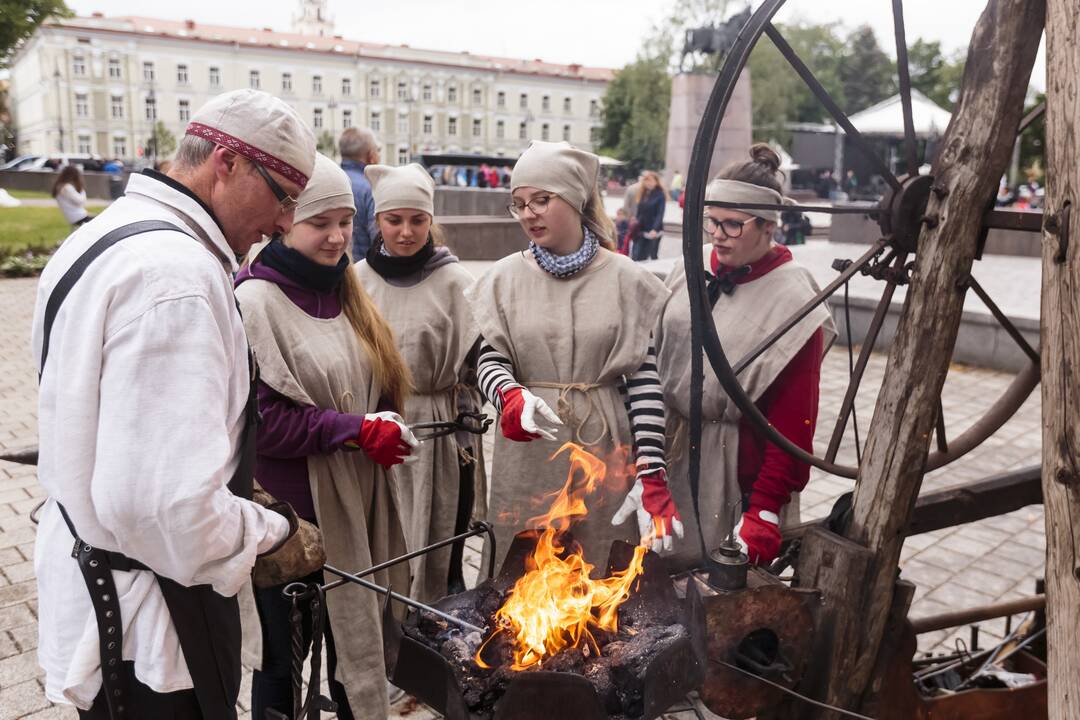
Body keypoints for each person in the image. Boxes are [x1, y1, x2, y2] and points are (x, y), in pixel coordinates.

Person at [31, 88, 323, 718]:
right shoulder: (177, 278)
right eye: (283, 197)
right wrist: (273, 532)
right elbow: (165, 509)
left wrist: (226, 490)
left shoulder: (105, 233)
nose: (282, 224)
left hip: (104, 583)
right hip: (147, 625)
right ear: (228, 162)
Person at [236, 153, 418, 717]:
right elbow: (262, 424)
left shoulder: (346, 290)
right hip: (292, 520)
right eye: (322, 223)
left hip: (356, 507)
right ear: (286, 219)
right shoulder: (254, 300)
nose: (339, 237)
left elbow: (378, 378)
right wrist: (355, 430)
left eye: (346, 221)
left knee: (355, 649)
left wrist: (386, 419)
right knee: (283, 663)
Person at [466, 140, 683, 569]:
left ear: (576, 198)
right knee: (521, 578)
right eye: (519, 203)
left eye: (542, 200)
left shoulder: (625, 279)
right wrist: (508, 396)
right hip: (529, 450)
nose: (529, 213)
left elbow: (643, 381)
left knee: (600, 575)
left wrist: (651, 470)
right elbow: (489, 359)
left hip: (603, 447)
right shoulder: (503, 279)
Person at [655, 144, 837, 570]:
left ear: (770, 226)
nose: (717, 235)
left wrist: (765, 509)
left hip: (734, 472)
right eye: (711, 221)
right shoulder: (691, 264)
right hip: (671, 453)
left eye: (733, 225)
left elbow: (793, 422)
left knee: (714, 600)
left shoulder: (793, 297)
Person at [356, 162, 485, 601]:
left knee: (440, 543)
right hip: (377, 427)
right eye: (394, 220)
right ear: (377, 221)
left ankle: (437, 627)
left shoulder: (457, 282)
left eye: (417, 220)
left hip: (442, 430)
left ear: (431, 221)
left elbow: (482, 359)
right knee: (385, 543)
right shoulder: (356, 282)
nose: (406, 231)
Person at [339, 126, 380, 259]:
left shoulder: (329, 181)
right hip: (362, 272)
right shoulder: (371, 188)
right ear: (371, 156)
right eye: (377, 151)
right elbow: (379, 241)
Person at [632, 170, 668, 261]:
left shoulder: (660, 195)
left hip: (653, 230)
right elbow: (639, 211)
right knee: (637, 254)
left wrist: (655, 229)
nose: (649, 183)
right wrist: (635, 222)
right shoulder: (643, 193)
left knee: (652, 255)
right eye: (647, 180)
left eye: (651, 180)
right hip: (641, 230)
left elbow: (660, 213)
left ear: (656, 182)